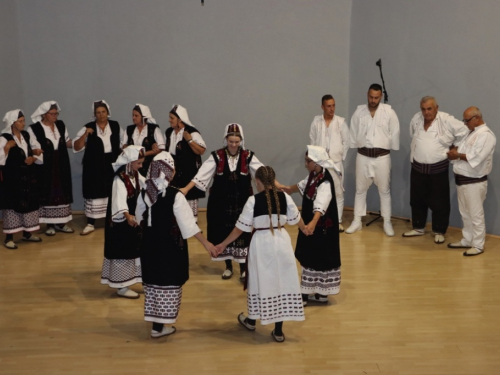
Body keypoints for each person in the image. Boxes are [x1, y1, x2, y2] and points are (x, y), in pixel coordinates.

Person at [216, 166, 306, 343]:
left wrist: (222, 245)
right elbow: (298, 220)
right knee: (281, 282)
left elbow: (239, 229)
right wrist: (306, 229)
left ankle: (251, 320)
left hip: (262, 244)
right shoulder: (285, 197)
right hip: (282, 242)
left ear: (257, 181)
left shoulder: (253, 200)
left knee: (260, 281)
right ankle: (278, 331)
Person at [136, 151, 217, 338]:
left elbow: (140, 219)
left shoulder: (144, 194)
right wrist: (207, 244)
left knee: (154, 283)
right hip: (170, 247)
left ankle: (157, 325)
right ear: (169, 171)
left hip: (149, 246)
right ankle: (161, 326)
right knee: (168, 282)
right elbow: (189, 225)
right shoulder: (176, 195)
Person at [180, 123, 265, 280]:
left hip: (242, 204)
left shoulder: (248, 156)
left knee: (243, 234)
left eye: (236, 141)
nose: (233, 144)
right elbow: (200, 176)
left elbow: (263, 173)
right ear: (225, 139)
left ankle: (243, 268)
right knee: (223, 233)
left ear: (241, 140)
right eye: (231, 141)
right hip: (220, 205)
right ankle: (228, 266)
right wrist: (186, 189)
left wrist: (277, 186)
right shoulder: (216, 156)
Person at [403, 97, 468, 244]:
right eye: (424, 109)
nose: (426, 112)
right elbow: (412, 134)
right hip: (418, 168)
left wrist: (456, 149)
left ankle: (439, 230)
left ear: (436, 107)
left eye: (429, 109)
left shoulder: (446, 120)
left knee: (440, 202)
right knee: (417, 200)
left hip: (438, 170)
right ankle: (418, 227)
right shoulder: (416, 119)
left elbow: (465, 132)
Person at [283, 146, 341, 306]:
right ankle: (321, 294)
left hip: (321, 229)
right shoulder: (314, 176)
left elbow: (320, 207)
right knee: (318, 257)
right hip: (318, 228)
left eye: (308, 161)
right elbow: (299, 186)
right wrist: (284, 188)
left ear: (317, 163)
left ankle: (306, 295)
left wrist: (311, 225)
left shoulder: (325, 182)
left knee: (314, 256)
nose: (305, 164)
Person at [346, 83, 400, 237]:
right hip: (363, 156)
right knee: (360, 189)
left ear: (381, 96)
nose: (373, 100)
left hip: (382, 157)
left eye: (376, 97)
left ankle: (387, 221)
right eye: (371, 97)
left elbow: (394, 132)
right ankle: (357, 221)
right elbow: (353, 132)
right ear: (367, 94)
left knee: (384, 190)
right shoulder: (359, 112)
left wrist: (391, 146)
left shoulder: (389, 113)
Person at [447, 107, 496, 256]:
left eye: (467, 120)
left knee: (476, 214)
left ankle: (478, 244)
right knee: (465, 214)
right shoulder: (471, 133)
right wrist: (454, 151)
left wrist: (457, 155)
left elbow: (477, 157)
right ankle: (467, 239)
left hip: (474, 182)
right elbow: (462, 150)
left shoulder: (486, 135)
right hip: (462, 180)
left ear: (476, 118)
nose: (465, 123)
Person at [73, 101, 124, 235]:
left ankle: (113, 219)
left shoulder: (115, 125)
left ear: (108, 112)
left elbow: (123, 143)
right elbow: (76, 147)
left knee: (112, 190)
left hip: (111, 163)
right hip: (93, 165)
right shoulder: (88, 127)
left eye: (103, 112)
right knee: (94, 191)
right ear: (94, 114)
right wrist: (85, 135)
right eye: (98, 113)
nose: (101, 115)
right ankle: (90, 223)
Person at [101, 146, 145, 298]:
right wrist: (128, 217)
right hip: (121, 224)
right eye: (138, 163)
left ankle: (135, 279)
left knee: (135, 249)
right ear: (130, 162)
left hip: (132, 223)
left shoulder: (136, 175)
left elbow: (147, 185)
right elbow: (119, 201)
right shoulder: (119, 179)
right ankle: (122, 286)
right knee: (123, 250)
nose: (141, 166)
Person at [28, 101, 74, 236]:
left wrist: (81, 143)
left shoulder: (60, 125)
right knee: (47, 191)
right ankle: (49, 224)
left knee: (61, 190)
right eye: (52, 114)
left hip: (61, 162)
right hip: (45, 166)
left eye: (56, 113)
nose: (55, 116)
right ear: (44, 114)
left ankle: (61, 223)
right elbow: (33, 147)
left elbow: (66, 142)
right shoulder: (34, 128)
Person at [0, 110, 43, 249]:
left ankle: (27, 233)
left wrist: (33, 156)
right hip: (12, 179)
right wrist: (6, 148)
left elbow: (32, 149)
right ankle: (9, 238)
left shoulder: (25, 135)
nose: (23, 123)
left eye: (24, 120)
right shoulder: (4, 138)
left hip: (27, 177)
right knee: (13, 205)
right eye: (20, 121)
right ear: (13, 123)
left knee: (28, 202)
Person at [309, 95, 349, 232]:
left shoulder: (340, 122)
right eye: (328, 106)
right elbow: (312, 140)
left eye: (333, 105)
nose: (332, 109)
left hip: (335, 163)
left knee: (338, 192)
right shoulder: (316, 122)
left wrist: (339, 156)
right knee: (317, 191)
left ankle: (337, 221)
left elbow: (347, 142)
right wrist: (315, 160)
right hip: (320, 163)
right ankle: (319, 220)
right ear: (322, 107)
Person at [165, 104, 206, 221]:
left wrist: (189, 140)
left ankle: (191, 225)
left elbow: (201, 150)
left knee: (190, 198)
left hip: (189, 172)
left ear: (180, 119)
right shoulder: (169, 132)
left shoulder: (192, 132)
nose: (169, 120)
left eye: (172, 118)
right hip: (174, 173)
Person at [122, 104, 164, 177]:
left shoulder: (153, 129)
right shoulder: (129, 129)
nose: (133, 118)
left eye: (136, 115)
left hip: (149, 166)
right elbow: (123, 146)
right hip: (132, 166)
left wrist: (143, 154)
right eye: (133, 115)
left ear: (143, 117)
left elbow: (160, 148)